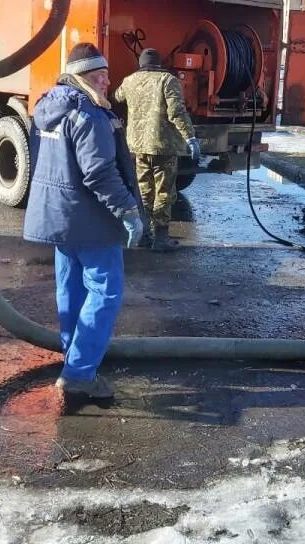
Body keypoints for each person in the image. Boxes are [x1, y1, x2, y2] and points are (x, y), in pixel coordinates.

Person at [23, 43, 144, 400]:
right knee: (105, 291)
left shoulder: (47, 108)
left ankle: (74, 357)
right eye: (97, 75)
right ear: (79, 77)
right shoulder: (88, 114)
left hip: (60, 218)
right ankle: (78, 373)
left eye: (107, 74)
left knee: (70, 288)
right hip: (90, 219)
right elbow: (99, 173)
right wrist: (129, 211)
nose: (105, 81)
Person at [113, 48, 199, 252]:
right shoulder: (167, 81)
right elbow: (177, 112)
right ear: (159, 64)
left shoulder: (129, 81)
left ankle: (143, 235)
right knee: (164, 192)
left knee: (144, 190)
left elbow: (116, 98)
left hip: (137, 146)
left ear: (141, 64)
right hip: (163, 147)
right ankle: (160, 238)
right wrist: (191, 138)